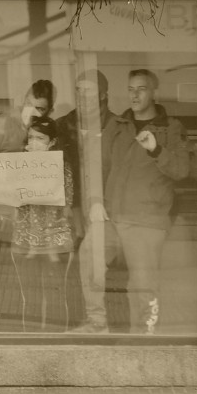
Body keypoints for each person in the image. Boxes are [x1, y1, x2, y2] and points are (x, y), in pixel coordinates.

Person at [101, 69, 190, 334]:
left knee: (142, 283)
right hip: (113, 217)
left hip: (147, 220)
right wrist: (98, 202)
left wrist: (156, 150)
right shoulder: (117, 125)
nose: (135, 95)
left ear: (154, 92)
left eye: (141, 89)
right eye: (130, 89)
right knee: (90, 266)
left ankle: (145, 336)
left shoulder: (171, 128)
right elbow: (101, 166)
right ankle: (98, 324)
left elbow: (182, 170)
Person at [59, 69, 121, 334]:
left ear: (103, 95)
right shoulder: (63, 125)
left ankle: (97, 321)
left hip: (106, 210)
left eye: (89, 92)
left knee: (90, 257)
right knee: (69, 264)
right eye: (78, 91)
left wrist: (105, 203)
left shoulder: (117, 127)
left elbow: (123, 171)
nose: (82, 97)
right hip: (71, 208)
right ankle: (76, 318)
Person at [9, 116, 74, 332]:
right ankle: (32, 345)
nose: (34, 142)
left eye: (40, 138)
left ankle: (57, 347)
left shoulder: (63, 169)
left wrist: (39, 166)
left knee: (56, 299)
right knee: (31, 299)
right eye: (31, 137)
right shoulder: (18, 166)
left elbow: (65, 201)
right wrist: (25, 166)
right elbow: (10, 198)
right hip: (24, 243)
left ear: (52, 142)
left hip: (55, 243)